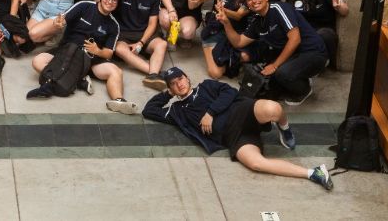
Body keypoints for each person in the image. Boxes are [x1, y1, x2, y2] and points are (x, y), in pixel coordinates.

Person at [143, 66, 333, 190]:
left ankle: (284, 128)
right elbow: (149, 111)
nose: (179, 84)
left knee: (273, 108)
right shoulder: (177, 111)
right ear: (172, 90)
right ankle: (313, 173)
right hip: (233, 136)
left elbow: (230, 92)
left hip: (241, 112)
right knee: (256, 164)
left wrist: (210, 112)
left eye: (180, 79)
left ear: (187, 78)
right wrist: (166, 94)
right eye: (174, 84)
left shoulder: (206, 86)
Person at [28, 0, 139, 115]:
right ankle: (79, 80)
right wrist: (59, 23)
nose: (110, 2)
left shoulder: (114, 25)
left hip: (91, 60)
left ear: (117, 4)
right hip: (66, 52)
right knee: (37, 61)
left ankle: (118, 101)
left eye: (114, 0)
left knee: (116, 71)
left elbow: (108, 53)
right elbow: (63, 19)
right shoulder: (85, 6)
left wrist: (97, 50)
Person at [216, 0, 328, 105]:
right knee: (269, 79)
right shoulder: (257, 20)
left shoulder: (279, 8)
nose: (254, 1)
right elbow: (238, 42)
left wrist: (275, 65)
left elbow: (295, 39)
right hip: (293, 55)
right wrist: (226, 23)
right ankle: (297, 73)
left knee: (282, 73)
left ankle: (305, 89)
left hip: (313, 52)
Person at [111, 0, 168, 90]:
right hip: (122, 34)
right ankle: (154, 73)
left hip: (144, 34)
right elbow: (105, 9)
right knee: (120, 50)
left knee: (162, 44)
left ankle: (152, 75)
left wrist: (141, 43)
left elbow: (153, 23)